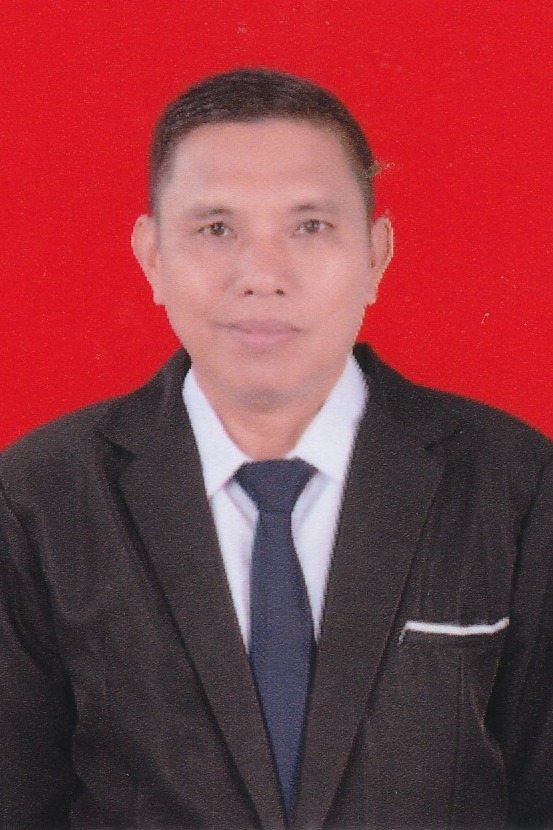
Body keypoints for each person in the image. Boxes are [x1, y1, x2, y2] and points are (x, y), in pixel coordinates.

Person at [1, 67, 552, 830]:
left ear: (376, 254)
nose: (262, 277)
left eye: (309, 226)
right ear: (151, 255)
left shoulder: (513, 483)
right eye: (216, 229)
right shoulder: (39, 495)